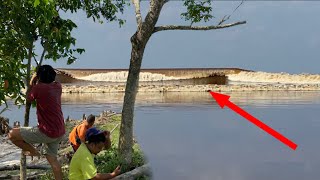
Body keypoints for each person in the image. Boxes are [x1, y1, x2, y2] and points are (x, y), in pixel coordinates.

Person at [8, 65, 65, 180]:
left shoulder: (39, 88)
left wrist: (31, 81)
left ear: (39, 77)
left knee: (11, 135)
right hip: (60, 131)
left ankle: (33, 151)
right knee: (53, 161)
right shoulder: (58, 86)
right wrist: (38, 78)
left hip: (47, 132)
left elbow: (28, 98)